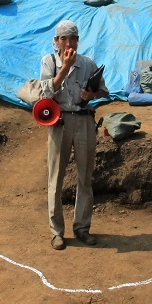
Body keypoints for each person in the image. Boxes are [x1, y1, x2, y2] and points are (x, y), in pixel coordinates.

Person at [39, 19, 108, 250]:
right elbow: (46, 93)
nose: (68, 43)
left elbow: (103, 90)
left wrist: (92, 94)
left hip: (84, 120)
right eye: (64, 38)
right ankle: (56, 231)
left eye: (73, 38)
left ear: (78, 41)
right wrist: (65, 68)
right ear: (56, 41)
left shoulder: (88, 63)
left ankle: (82, 228)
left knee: (84, 177)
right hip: (59, 122)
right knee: (55, 178)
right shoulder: (48, 62)